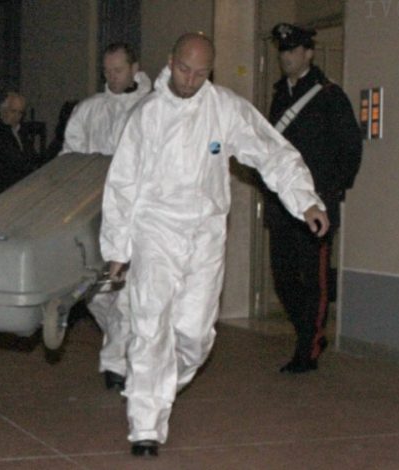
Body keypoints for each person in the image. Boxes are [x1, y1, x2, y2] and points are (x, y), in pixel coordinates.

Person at [100, 33, 330, 458]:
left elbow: (271, 152)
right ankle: (145, 426)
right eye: (184, 70)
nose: (190, 80)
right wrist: (117, 248)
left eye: (200, 73)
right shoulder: (147, 115)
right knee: (150, 326)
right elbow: (122, 184)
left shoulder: (224, 108)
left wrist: (306, 201)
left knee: (194, 336)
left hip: (205, 235)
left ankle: (155, 388)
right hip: (155, 231)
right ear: (171, 61)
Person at [265, 23, 362, 374]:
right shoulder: (280, 95)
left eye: (293, 50)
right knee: (283, 279)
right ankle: (308, 333)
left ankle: (308, 347)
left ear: (308, 53)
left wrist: (330, 192)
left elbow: (351, 148)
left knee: (314, 280)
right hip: (282, 207)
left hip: (315, 208)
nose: (286, 57)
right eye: (283, 51)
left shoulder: (329, 95)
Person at [60, 42, 152, 392]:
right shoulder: (88, 110)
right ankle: (122, 348)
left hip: (137, 214)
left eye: (118, 70)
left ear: (134, 68)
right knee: (95, 292)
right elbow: (69, 158)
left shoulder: (152, 108)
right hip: (94, 214)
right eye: (107, 71)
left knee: (127, 293)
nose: (112, 77)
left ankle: (116, 365)